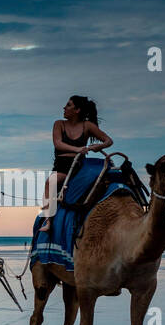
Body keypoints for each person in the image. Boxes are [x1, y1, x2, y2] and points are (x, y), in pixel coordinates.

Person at [40, 95, 112, 232]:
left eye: (68, 105)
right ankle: (48, 221)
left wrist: (98, 147)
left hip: (79, 164)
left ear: (77, 110)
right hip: (62, 165)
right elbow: (58, 144)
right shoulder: (59, 124)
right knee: (50, 182)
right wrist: (77, 149)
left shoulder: (87, 126)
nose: (64, 108)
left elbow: (108, 141)